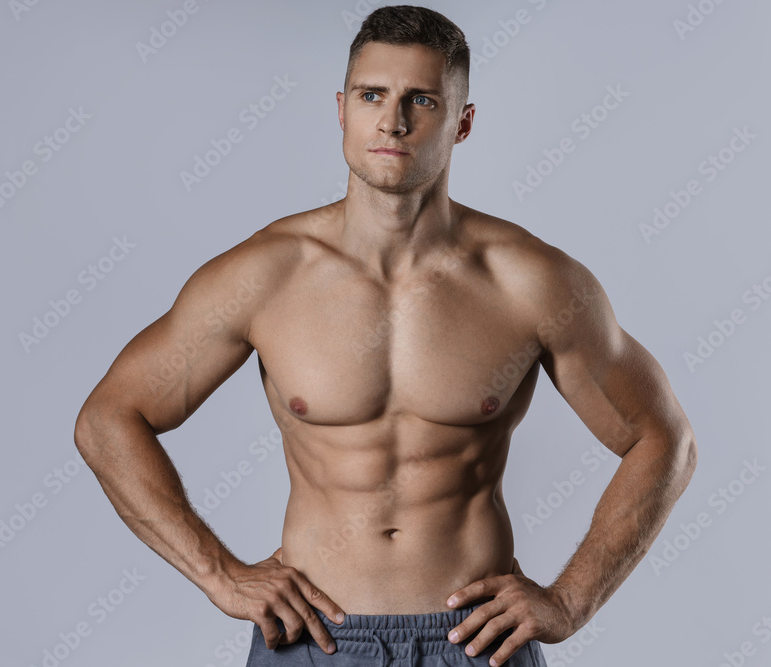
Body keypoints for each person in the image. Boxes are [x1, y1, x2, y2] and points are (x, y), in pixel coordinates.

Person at [73, 5, 697, 666]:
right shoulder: (265, 275)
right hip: (312, 637)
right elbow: (109, 417)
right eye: (373, 95)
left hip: (475, 641)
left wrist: (571, 600)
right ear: (341, 109)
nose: (392, 121)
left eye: (420, 100)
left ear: (462, 122)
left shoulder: (530, 281)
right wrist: (218, 573)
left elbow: (664, 439)